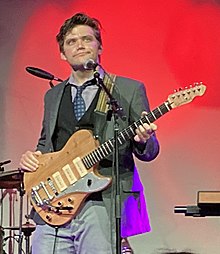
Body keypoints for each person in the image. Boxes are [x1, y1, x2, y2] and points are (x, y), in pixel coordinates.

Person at [19, 13, 159, 254]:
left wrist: (144, 140)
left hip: (102, 203)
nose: (80, 45)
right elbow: (46, 144)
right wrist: (33, 159)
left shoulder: (128, 89)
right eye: (71, 41)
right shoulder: (53, 95)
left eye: (87, 39)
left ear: (99, 46)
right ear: (62, 53)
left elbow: (149, 151)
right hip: (55, 204)